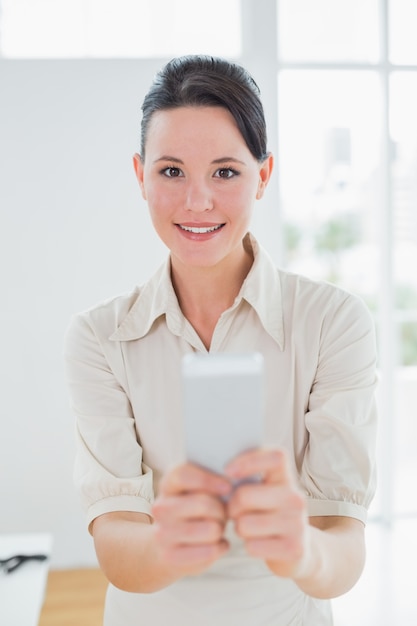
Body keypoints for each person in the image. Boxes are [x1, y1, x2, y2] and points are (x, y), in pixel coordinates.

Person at [64, 55, 377, 626]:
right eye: (172, 171)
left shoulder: (334, 322)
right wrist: (168, 543)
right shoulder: (99, 338)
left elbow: (344, 542)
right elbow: (115, 542)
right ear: (140, 175)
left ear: (264, 174)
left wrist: (300, 548)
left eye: (226, 172)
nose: (198, 200)